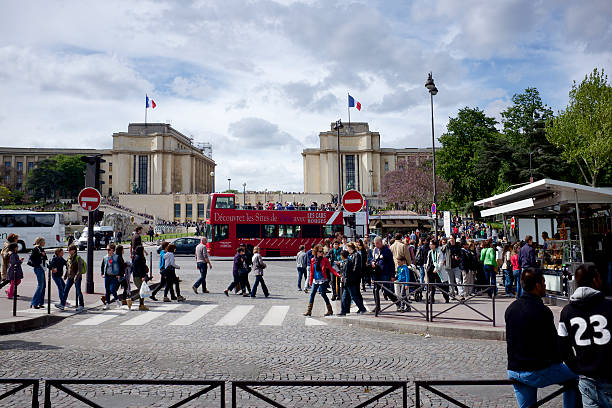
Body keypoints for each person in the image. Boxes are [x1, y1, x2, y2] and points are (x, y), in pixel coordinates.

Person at [505, 268, 580, 408]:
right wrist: (562, 362)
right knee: (575, 378)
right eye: (544, 283)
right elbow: (553, 344)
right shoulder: (542, 311)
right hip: (535, 370)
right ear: (537, 285)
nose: (545, 286)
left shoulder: (511, 308)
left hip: (514, 370)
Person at [558, 265, 612, 407]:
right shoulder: (609, 306)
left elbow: (563, 347)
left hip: (587, 379)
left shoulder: (567, 312)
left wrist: (578, 368)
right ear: (595, 280)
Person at [303, 245, 340, 317]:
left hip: (322, 280)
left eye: (322, 251)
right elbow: (311, 271)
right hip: (315, 280)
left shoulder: (325, 259)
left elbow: (330, 268)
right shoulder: (313, 260)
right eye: (320, 251)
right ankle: (309, 311)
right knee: (312, 295)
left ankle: (330, 310)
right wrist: (310, 281)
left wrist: (337, 274)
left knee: (323, 294)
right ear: (316, 252)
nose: (322, 252)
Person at [371, 236, 397, 310]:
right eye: (375, 244)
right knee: (375, 290)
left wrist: (392, 275)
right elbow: (373, 258)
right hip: (377, 273)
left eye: (377, 243)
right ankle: (377, 307)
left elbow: (391, 263)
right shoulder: (375, 250)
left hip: (385, 273)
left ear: (381, 242)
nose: (376, 245)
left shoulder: (387, 250)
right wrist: (372, 262)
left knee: (387, 291)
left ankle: (398, 302)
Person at [338, 249, 367, 315]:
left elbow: (347, 273)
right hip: (347, 282)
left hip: (349, 282)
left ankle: (362, 308)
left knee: (353, 296)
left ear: (342, 256)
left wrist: (344, 279)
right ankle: (343, 311)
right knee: (345, 297)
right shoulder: (346, 262)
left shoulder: (347, 262)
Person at [58, 244, 85, 311]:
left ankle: (81, 305)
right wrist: (65, 275)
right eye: (68, 250)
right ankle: (62, 304)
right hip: (70, 277)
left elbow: (80, 269)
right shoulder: (69, 258)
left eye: (70, 250)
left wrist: (76, 277)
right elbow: (68, 268)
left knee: (78, 291)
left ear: (74, 251)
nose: (69, 251)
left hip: (77, 277)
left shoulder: (78, 258)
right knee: (66, 290)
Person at [101, 243, 121, 309]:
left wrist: (119, 274)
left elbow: (121, 266)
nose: (107, 251)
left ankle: (117, 300)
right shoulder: (105, 257)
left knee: (112, 289)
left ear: (112, 250)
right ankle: (107, 304)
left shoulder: (117, 257)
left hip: (114, 276)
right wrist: (102, 273)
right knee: (107, 290)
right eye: (107, 249)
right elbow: (103, 265)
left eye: (109, 249)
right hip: (107, 275)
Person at [29, 237, 47, 309]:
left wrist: (43, 255)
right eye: (43, 241)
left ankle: (40, 302)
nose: (44, 243)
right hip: (38, 268)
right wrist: (41, 255)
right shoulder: (36, 249)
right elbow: (33, 257)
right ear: (40, 242)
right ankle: (34, 303)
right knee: (40, 285)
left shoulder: (41, 249)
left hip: (41, 268)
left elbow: (45, 258)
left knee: (43, 286)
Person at [132, 245, 150, 310]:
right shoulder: (139, 258)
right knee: (142, 292)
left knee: (142, 291)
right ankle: (131, 299)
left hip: (137, 276)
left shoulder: (136, 257)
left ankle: (141, 305)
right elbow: (140, 269)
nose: (143, 251)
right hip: (138, 277)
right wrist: (142, 276)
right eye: (143, 250)